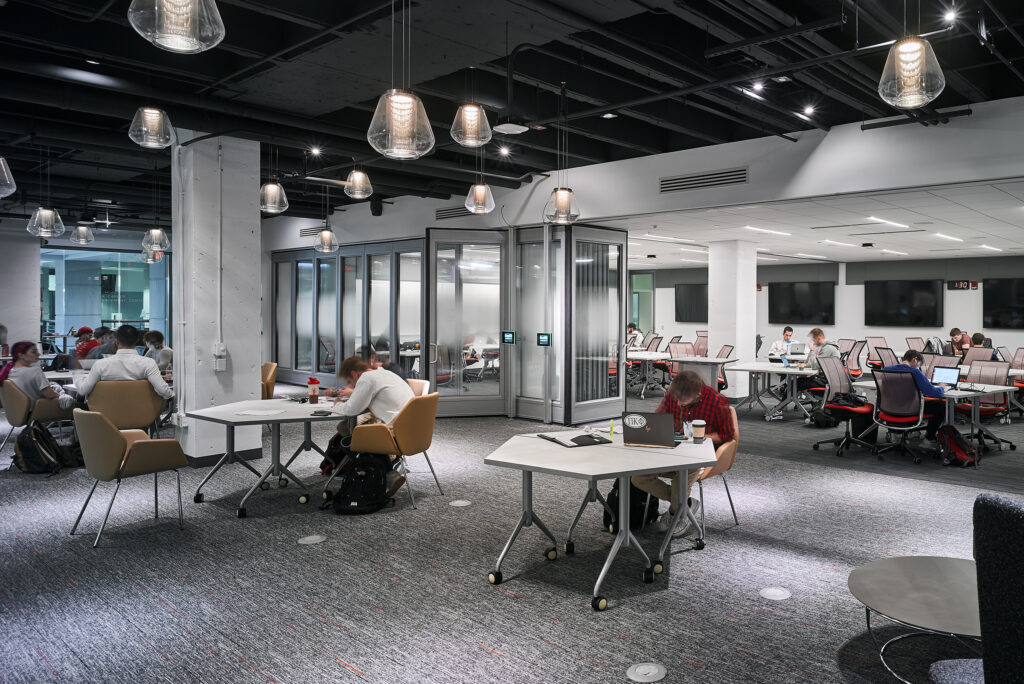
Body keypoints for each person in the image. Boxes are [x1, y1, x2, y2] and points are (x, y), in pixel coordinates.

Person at [631, 371, 736, 536]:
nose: (678, 404)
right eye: (676, 399)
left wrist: (700, 436)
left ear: (697, 395)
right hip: (671, 449)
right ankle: (684, 504)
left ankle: (676, 512)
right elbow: (658, 418)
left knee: (681, 480)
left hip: (699, 455)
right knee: (638, 478)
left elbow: (727, 436)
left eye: (682, 401)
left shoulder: (717, 402)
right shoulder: (673, 394)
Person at [330, 356, 415, 496]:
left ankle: (378, 470)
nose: (352, 385)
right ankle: (383, 468)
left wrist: (337, 404)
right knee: (354, 427)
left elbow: (352, 409)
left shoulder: (366, 379)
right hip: (413, 428)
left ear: (354, 374)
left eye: (350, 382)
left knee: (347, 432)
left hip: (395, 431)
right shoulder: (385, 373)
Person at [75, 325, 173, 400]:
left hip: (106, 418)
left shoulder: (100, 365)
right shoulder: (148, 364)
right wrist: (172, 395)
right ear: (137, 341)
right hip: (141, 418)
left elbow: (83, 390)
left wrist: (77, 375)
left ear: (116, 342)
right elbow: (163, 391)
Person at [883, 349, 946, 441]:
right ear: (915, 359)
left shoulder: (886, 370)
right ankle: (930, 437)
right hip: (909, 409)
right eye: (919, 365)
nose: (918, 367)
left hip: (889, 408)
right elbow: (934, 393)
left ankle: (893, 432)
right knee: (940, 406)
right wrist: (942, 387)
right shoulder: (915, 372)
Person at [0, 341, 76, 409]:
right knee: (78, 404)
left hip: (18, 411)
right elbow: (50, 395)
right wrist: (61, 395)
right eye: (34, 352)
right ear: (21, 355)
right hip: (37, 410)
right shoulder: (35, 371)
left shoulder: (11, 371)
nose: (38, 354)